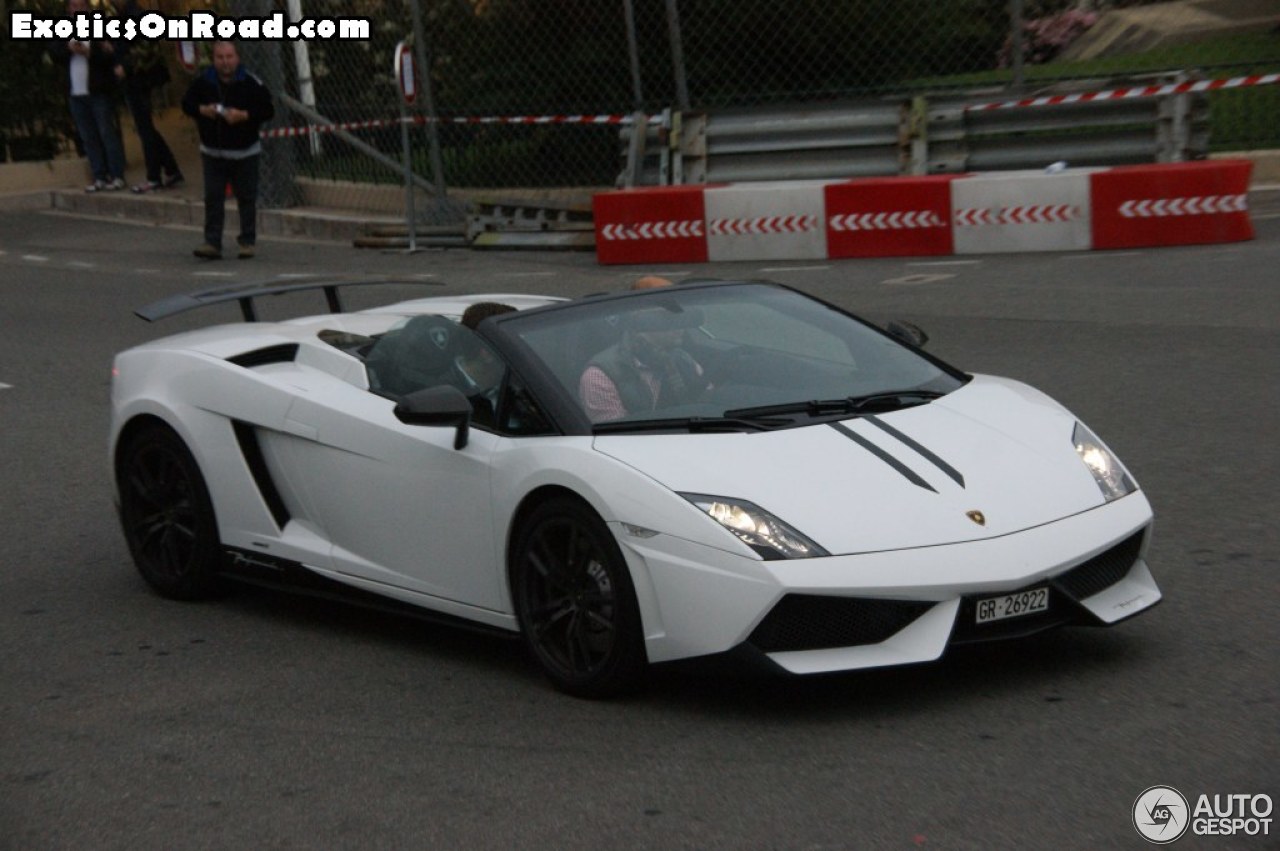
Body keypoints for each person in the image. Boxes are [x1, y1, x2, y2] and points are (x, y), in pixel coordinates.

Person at [182, 40, 274, 260]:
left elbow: (267, 109)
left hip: (245, 152)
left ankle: (247, 241)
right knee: (213, 197)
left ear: (237, 58)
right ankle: (212, 242)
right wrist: (203, 110)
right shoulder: (203, 82)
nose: (225, 62)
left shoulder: (251, 83)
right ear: (214, 59)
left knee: (246, 197)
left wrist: (243, 116)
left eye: (229, 57)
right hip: (213, 152)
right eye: (220, 57)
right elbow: (187, 104)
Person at [579, 308, 708, 423]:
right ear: (643, 326)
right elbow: (617, 437)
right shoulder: (600, 375)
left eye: (681, 319)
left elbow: (708, 401)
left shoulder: (682, 358)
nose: (681, 326)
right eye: (670, 320)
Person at [49, 0, 126, 193]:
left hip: (97, 89)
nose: (78, 10)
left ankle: (116, 174)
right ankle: (99, 175)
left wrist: (89, 52)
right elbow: (54, 52)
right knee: (88, 136)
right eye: (74, 7)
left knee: (106, 132)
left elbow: (109, 56)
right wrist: (69, 48)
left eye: (81, 6)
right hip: (76, 91)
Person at [111, 0, 183, 193]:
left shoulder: (134, 14)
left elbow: (145, 47)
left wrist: (125, 66)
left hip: (140, 80)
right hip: (135, 80)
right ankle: (170, 169)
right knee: (145, 128)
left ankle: (154, 176)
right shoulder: (123, 15)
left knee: (145, 129)